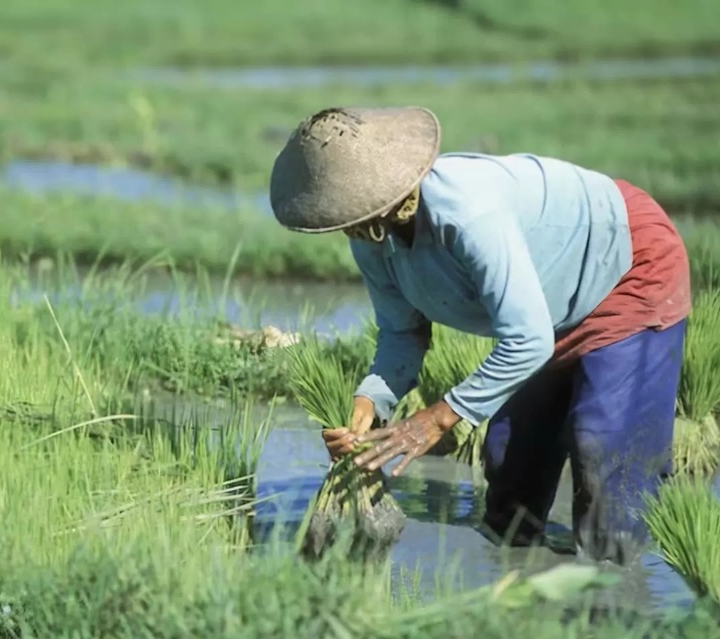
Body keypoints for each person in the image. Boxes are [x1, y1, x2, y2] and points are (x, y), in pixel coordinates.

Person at [268, 105, 691, 565]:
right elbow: (401, 334)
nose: (346, 226)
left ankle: (616, 586)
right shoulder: (372, 238)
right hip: (548, 307)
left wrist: (438, 418)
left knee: (603, 443)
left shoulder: (467, 214)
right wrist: (370, 404)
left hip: (625, 265)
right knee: (509, 454)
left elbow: (527, 341)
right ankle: (515, 584)